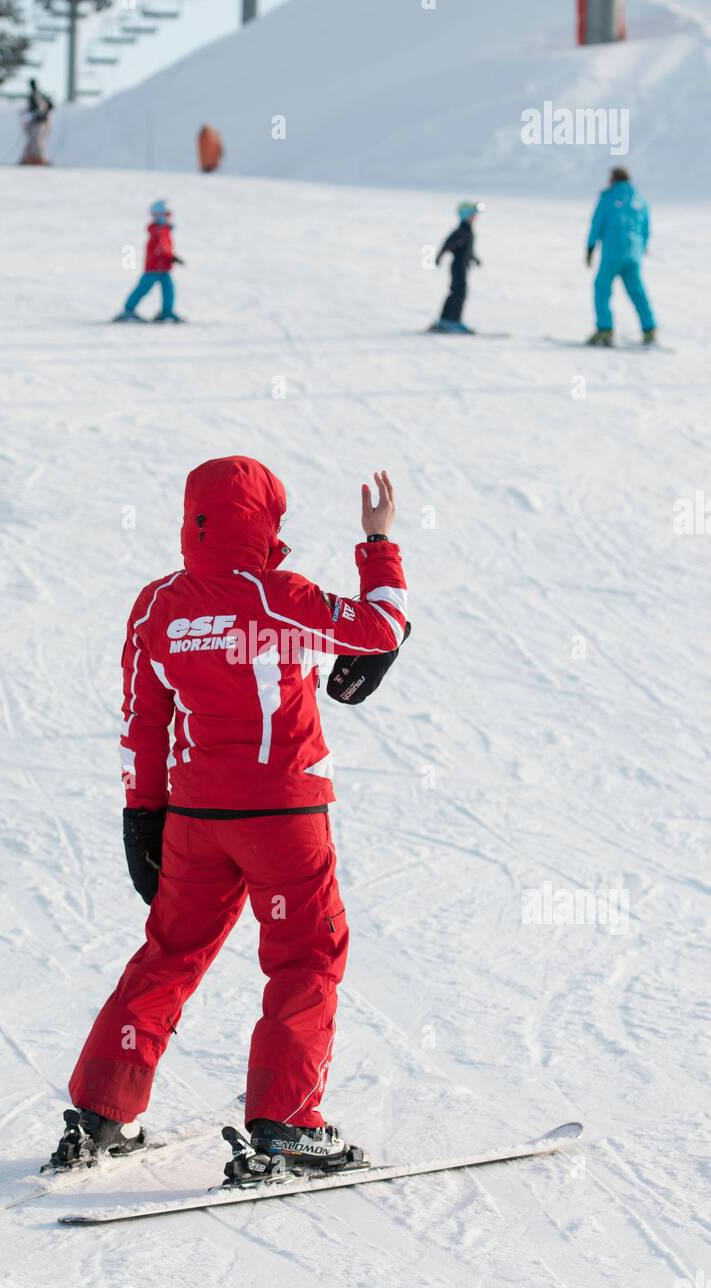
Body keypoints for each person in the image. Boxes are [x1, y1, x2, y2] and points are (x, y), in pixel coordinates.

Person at [50, 458, 408, 1180]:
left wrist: (141, 817)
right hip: (282, 814)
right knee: (306, 955)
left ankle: (101, 1114)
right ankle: (285, 1125)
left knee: (169, 954)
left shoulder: (158, 605)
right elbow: (381, 626)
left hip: (194, 817)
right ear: (267, 519)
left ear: (193, 518)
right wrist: (377, 545)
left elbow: (141, 721)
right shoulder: (280, 594)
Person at [586, 167, 656, 346]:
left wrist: (590, 247)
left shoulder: (608, 198)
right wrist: (642, 246)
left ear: (613, 179)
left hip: (612, 253)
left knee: (601, 289)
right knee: (637, 292)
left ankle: (605, 329)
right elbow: (646, 227)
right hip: (634, 253)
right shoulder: (639, 199)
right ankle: (649, 329)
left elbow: (597, 222)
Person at [114, 199, 184, 323]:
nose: (168, 217)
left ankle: (166, 312)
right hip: (154, 267)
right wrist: (171, 257)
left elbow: (165, 248)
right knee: (142, 289)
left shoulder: (164, 230)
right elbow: (161, 248)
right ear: (157, 215)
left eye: (169, 214)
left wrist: (171, 257)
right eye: (165, 214)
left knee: (169, 290)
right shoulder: (157, 230)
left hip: (164, 267)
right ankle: (128, 310)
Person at [429, 200, 484, 333]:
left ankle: (447, 320)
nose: (475, 217)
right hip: (458, 267)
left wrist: (473, 258)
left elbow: (466, 249)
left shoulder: (467, 231)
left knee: (458, 292)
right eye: (472, 214)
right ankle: (451, 321)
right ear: (466, 215)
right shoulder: (462, 231)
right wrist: (439, 256)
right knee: (458, 293)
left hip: (462, 266)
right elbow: (448, 244)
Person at [20, 78, 53, 166]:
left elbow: (45, 107)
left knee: (38, 141)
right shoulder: (33, 95)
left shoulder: (39, 95)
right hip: (34, 122)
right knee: (32, 141)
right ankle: (31, 157)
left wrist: (38, 114)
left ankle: (40, 158)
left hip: (40, 123)